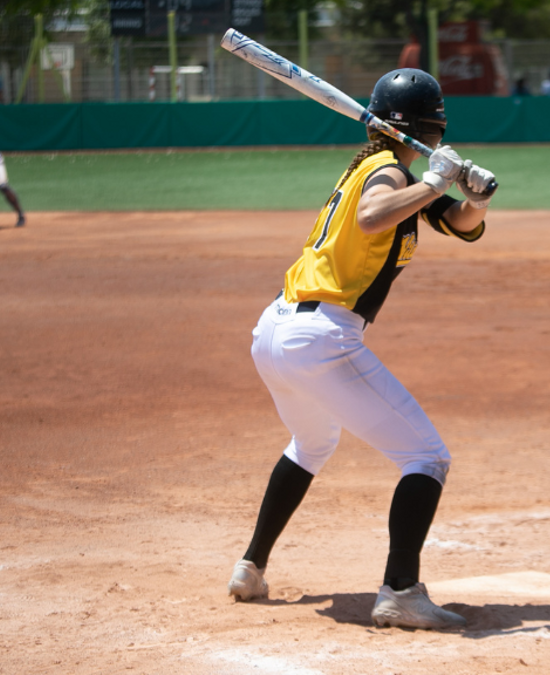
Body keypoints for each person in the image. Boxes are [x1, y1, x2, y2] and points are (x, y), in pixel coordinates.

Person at [226, 68, 497, 631]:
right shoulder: (387, 172)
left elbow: (459, 222)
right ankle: (401, 591)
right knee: (426, 457)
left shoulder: (387, 172)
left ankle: (250, 566)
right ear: (426, 124)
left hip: (276, 330)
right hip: (319, 336)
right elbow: (376, 218)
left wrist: (474, 196)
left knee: (312, 442)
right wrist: (436, 180)